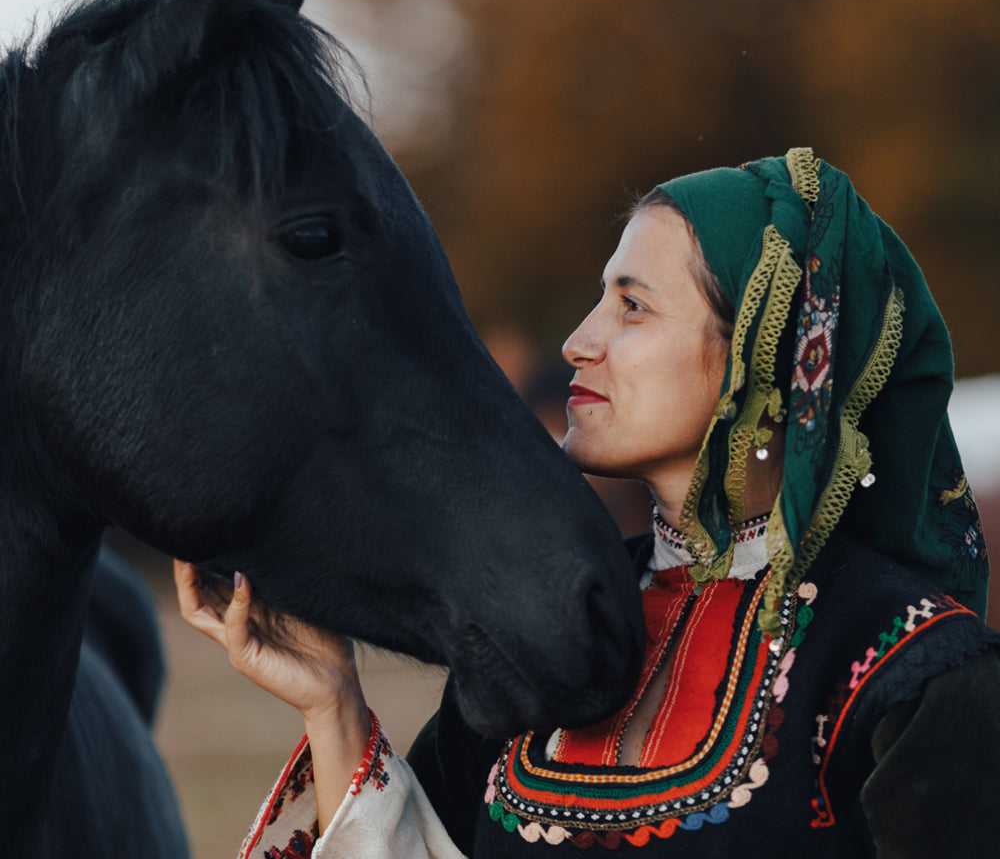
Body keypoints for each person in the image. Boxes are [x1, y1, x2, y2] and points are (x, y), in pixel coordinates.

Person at [177, 148, 1000, 857]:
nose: (578, 340)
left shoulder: (912, 675)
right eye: (601, 297)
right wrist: (333, 703)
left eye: (632, 306)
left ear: (762, 351)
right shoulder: (544, 631)